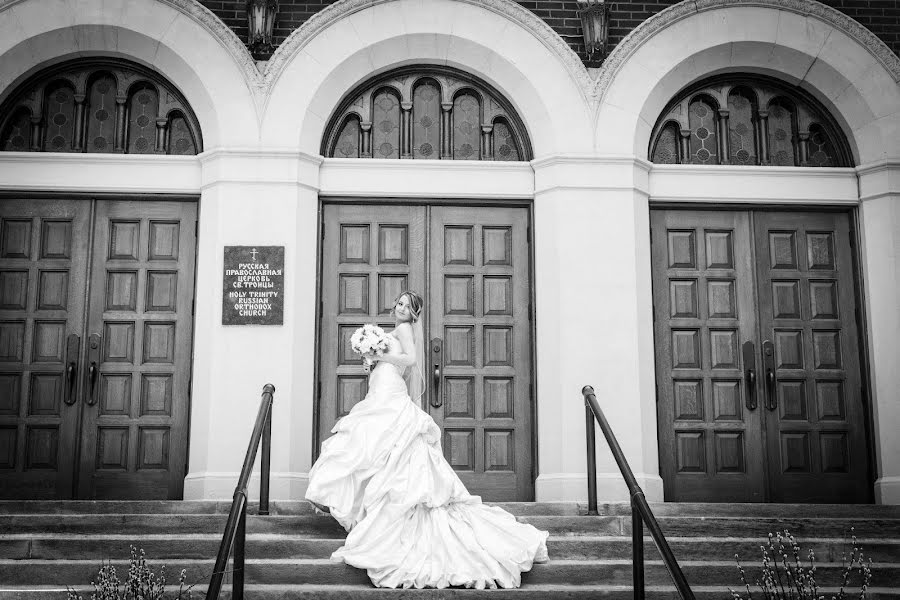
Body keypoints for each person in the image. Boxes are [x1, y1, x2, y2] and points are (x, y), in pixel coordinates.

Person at [305, 291, 549, 589]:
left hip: (390, 394)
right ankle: (362, 510)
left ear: (413, 314)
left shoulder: (404, 330)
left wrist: (380, 354)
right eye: (399, 303)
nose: (401, 308)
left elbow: (409, 359)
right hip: (380, 390)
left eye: (407, 307)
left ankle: (373, 515)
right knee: (372, 446)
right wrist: (372, 361)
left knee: (379, 445)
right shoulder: (391, 332)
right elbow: (393, 362)